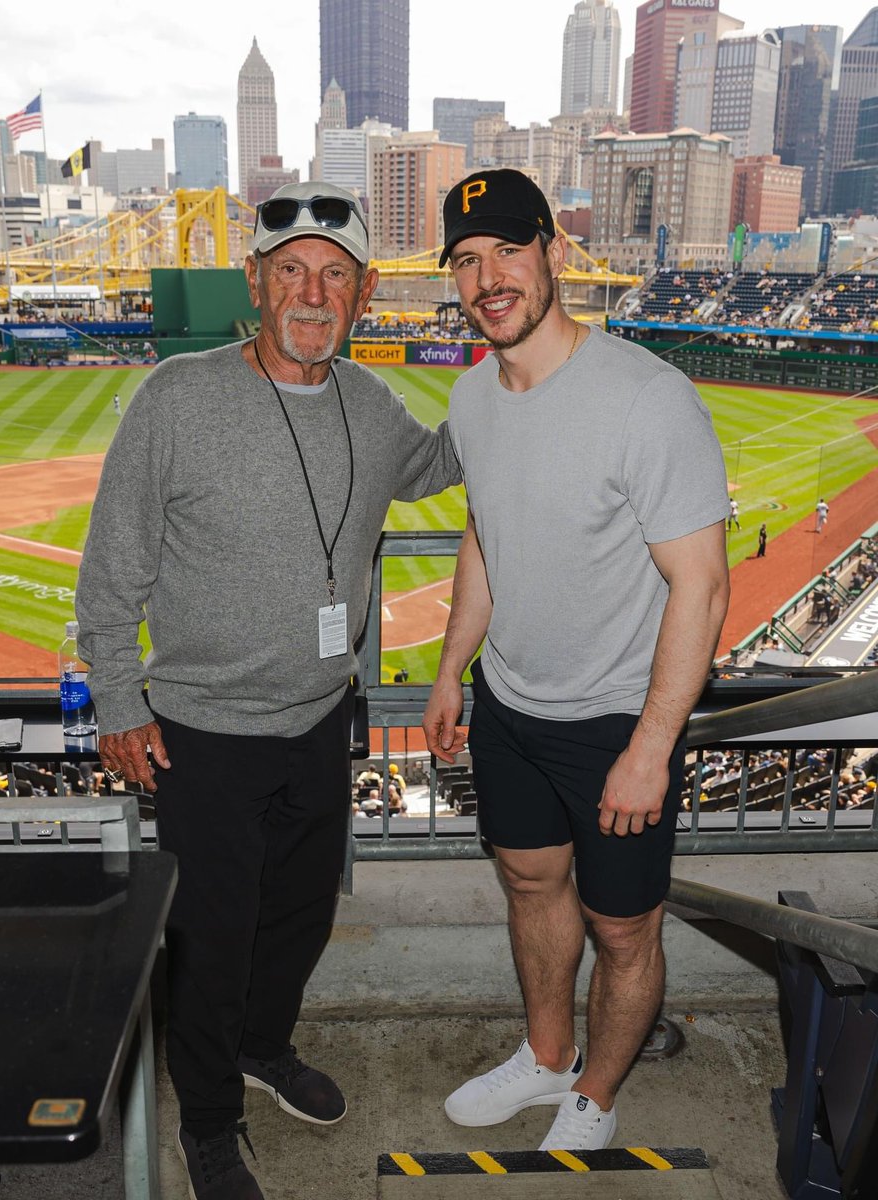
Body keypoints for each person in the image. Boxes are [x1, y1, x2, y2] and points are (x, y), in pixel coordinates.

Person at [75, 180, 460, 1200]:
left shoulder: (372, 409)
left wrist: (528, 382)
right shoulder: (179, 396)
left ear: (365, 296)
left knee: (297, 919)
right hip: (201, 735)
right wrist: (119, 696)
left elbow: (441, 461)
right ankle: (208, 1121)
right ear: (255, 281)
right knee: (210, 941)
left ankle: (262, 1045)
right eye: (292, 269)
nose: (312, 292)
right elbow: (113, 563)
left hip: (318, 723)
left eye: (335, 276)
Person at [422, 169, 729, 1153]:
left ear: (555, 253)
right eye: (468, 260)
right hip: (509, 707)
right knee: (527, 882)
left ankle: (597, 1089)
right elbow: (485, 537)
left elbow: (703, 587)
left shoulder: (648, 399)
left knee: (625, 929)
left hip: (615, 723)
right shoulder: (472, 397)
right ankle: (547, 1055)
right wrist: (449, 668)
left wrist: (651, 747)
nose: (489, 277)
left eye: (510, 251)